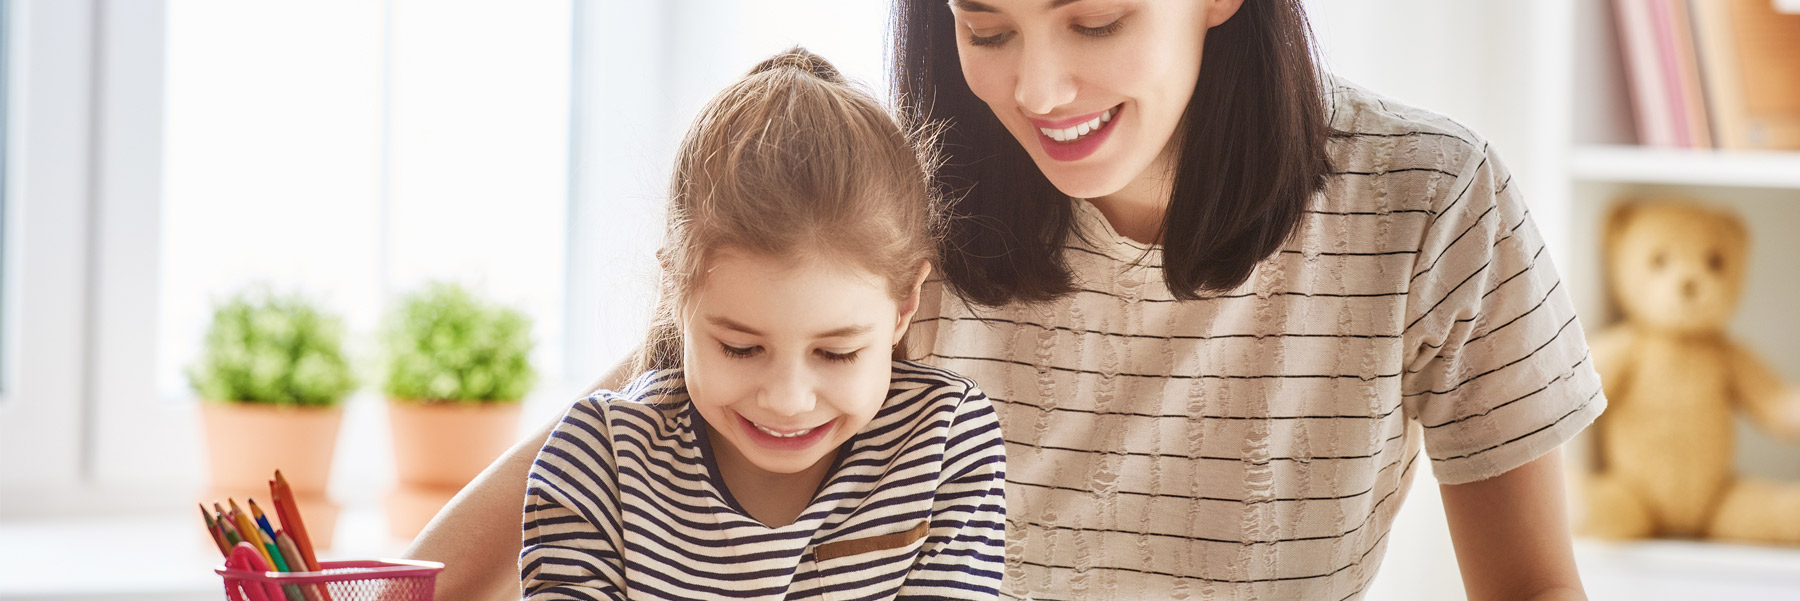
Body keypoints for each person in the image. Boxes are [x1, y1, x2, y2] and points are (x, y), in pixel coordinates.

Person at [410, 2, 1603, 599]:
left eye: (1096, 19)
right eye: (985, 25)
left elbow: (1534, 588)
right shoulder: (917, 206)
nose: (1036, 87)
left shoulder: (1430, 202)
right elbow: (639, 410)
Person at [517, 49, 1006, 600]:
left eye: (837, 353)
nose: (788, 401)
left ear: (905, 305)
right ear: (675, 293)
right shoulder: (599, 459)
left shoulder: (944, 441)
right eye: (741, 348)